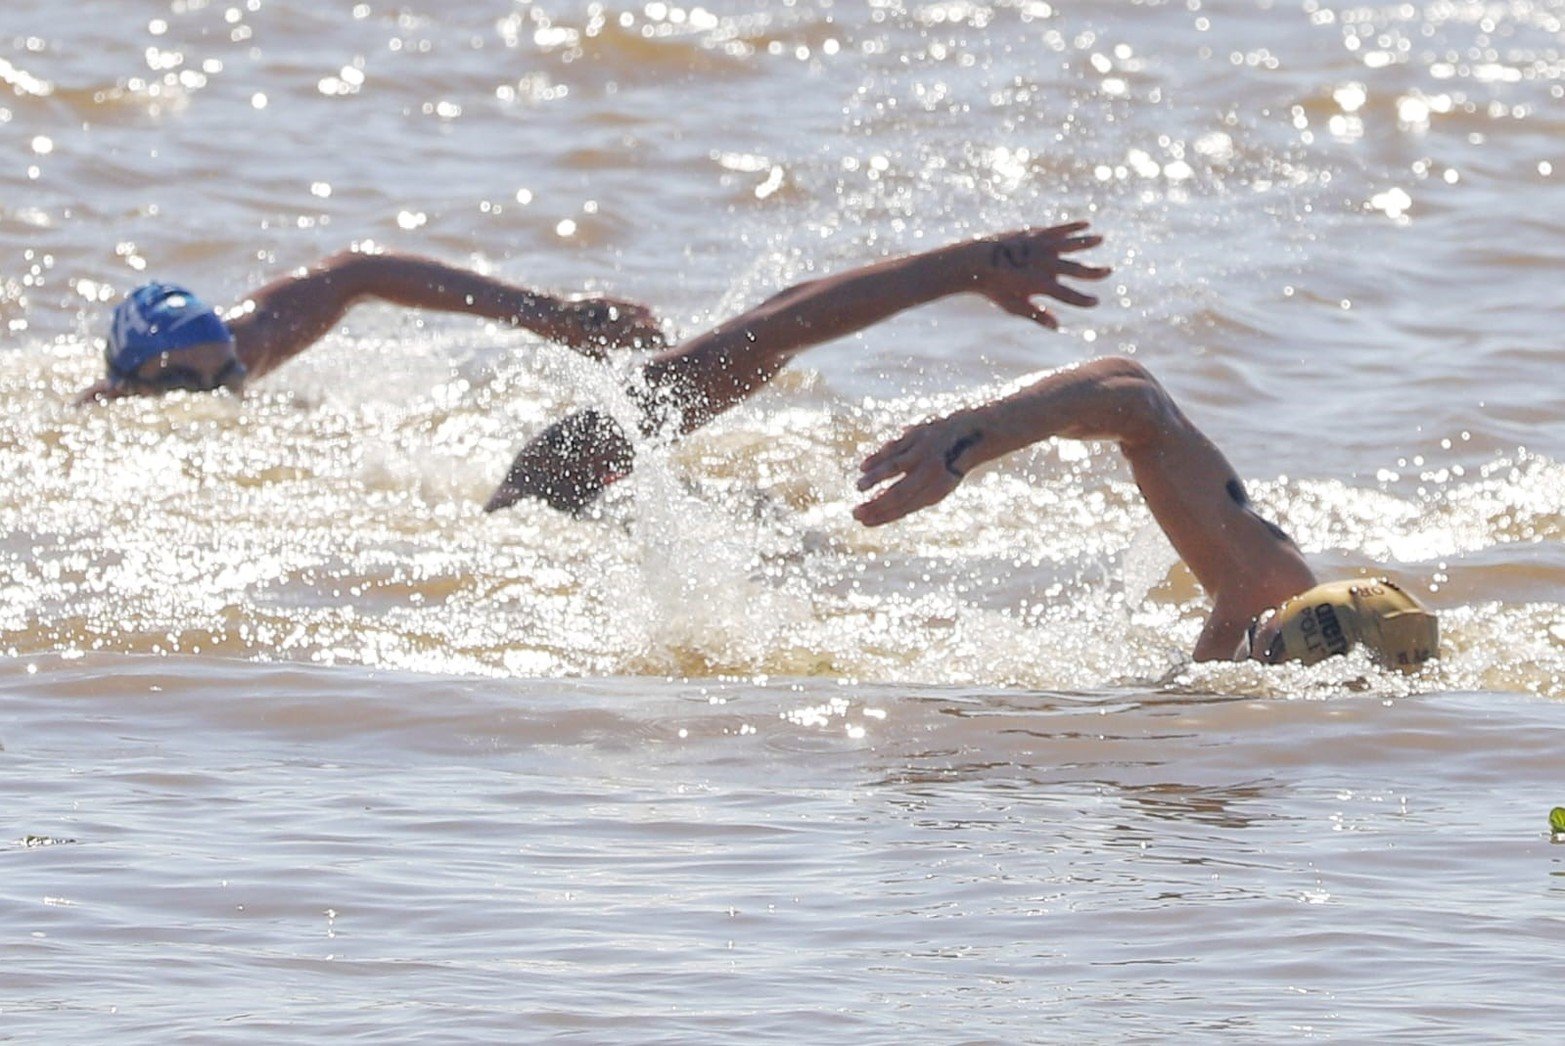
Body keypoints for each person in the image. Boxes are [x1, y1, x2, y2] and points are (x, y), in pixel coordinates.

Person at [852, 354, 1439, 671]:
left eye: (1259, 642)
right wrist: (971, 437)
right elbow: (1136, 397)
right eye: (1259, 626)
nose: (1239, 635)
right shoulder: (1265, 585)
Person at [485, 222, 1112, 513]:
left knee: (736, 351)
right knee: (739, 350)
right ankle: (960, 267)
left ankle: (960, 267)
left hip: (556, 497)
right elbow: (755, 339)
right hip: (562, 498)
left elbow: (755, 337)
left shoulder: (554, 480)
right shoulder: (558, 480)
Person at [77, 248, 666, 405]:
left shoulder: (250, 344)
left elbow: (360, 272)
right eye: (184, 385)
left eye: (226, 374)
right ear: (125, 384)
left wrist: (548, 315)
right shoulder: (104, 416)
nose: (213, 393)